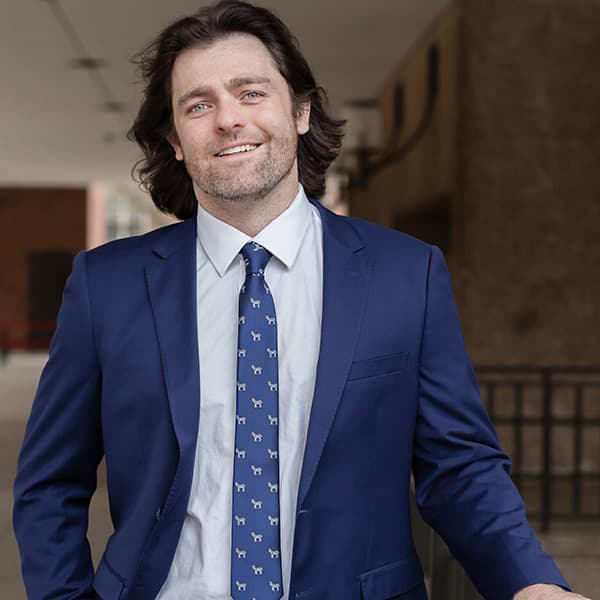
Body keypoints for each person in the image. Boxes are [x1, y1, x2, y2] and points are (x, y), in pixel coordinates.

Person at [13, 2, 589, 599]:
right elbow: (50, 482)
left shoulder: (405, 273)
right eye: (199, 104)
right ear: (176, 141)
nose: (228, 120)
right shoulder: (106, 285)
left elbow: (459, 467)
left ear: (301, 111)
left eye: (250, 92)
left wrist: (530, 584)